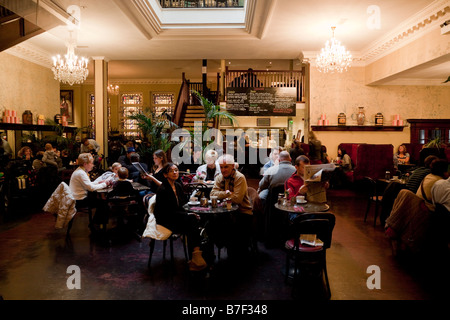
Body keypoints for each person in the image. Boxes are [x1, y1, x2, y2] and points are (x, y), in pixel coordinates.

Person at [153, 163, 207, 271]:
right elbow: (167, 211)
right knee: (192, 222)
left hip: (177, 216)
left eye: (176, 170)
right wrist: (187, 214)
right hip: (165, 219)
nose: (175, 172)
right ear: (165, 175)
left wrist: (190, 211)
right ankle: (196, 256)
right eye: (171, 171)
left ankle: (195, 257)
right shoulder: (163, 189)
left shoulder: (177, 185)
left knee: (195, 221)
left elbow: (182, 204)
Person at [210, 154, 253, 257]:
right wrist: (228, 193)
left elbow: (237, 199)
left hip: (243, 212)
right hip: (225, 212)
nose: (223, 170)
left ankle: (235, 256)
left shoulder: (239, 178)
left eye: (226, 167)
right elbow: (212, 195)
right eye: (221, 167)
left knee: (231, 231)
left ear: (232, 166)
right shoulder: (220, 177)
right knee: (210, 224)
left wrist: (221, 194)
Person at [69, 153, 112, 226]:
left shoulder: (80, 171)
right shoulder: (81, 173)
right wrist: (105, 184)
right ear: (85, 164)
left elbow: (89, 184)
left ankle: (95, 223)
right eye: (91, 163)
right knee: (103, 203)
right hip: (79, 200)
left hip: (78, 198)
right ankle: (97, 225)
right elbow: (91, 188)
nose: (93, 165)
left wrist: (99, 182)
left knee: (102, 202)